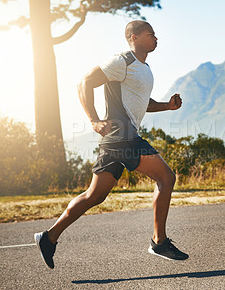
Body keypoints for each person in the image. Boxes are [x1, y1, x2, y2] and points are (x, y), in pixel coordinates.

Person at [34, 20, 189, 269]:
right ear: (134, 37)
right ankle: (159, 242)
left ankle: (49, 237)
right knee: (166, 178)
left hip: (116, 141)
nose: (156, 38)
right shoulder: (121, 61)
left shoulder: (143, 68)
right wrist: (94, 120)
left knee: (94, 196)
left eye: (156, 34)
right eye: (151, 34)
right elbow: (84, 82)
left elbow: (142, 102)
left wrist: (166, 106)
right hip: (123, 137)